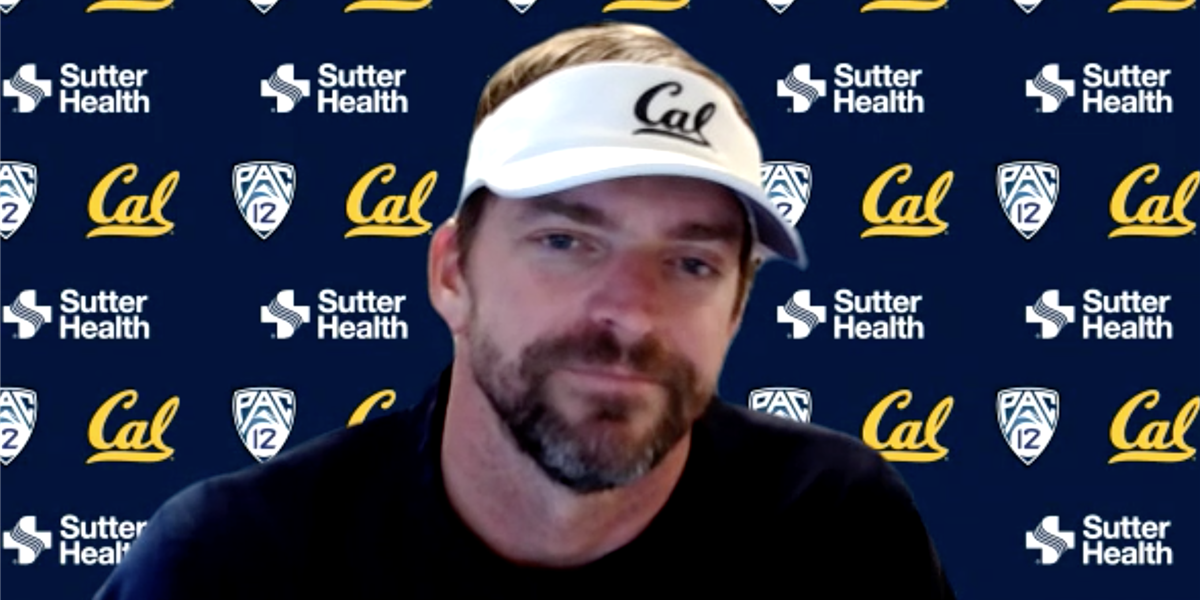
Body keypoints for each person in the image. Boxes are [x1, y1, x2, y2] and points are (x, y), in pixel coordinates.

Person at [93, 21, 955, 598]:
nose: (632, 313)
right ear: (451, 275)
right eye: (566, 241)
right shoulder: (233, 561)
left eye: (691, 263)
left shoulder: (836, 529)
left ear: (735, 311)